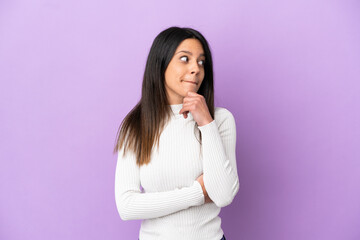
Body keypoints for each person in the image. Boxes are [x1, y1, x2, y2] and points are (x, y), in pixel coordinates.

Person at [113, 26, 239, 240]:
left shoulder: (220, 120)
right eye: (184, 59)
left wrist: (206, 123)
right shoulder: (136, 125)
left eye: (201, 62)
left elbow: (224, 194)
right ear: (160, 64)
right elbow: (127, 206)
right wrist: (197, 193)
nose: (196, 69)